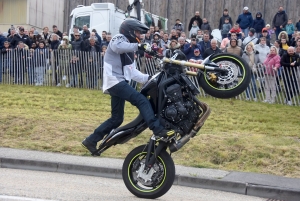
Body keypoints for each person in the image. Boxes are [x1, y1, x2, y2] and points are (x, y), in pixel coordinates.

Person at [81, 19, 175, 155]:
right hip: (115, 81)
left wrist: (150, 78)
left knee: (117, 119)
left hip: (118, 82)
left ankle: (91, 140)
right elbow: (117, 47)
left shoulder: (130, 51)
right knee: (141, 100)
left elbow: (132, 73)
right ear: (129, 31)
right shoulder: (118, 38)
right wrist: (139, 46)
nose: (139, 35)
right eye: (137, 32)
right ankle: (158, 129)